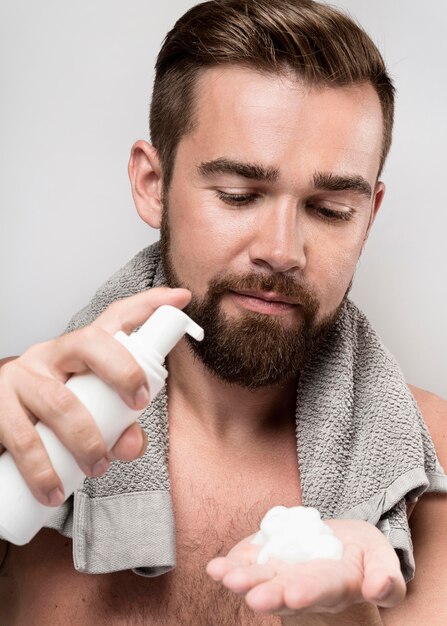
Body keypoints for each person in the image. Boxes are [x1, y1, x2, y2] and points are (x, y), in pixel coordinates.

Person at [0, 0, 446, 623]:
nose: (281, 252)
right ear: (152, 185)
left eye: (330, 210)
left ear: (369, 213)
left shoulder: (433, 464)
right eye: (239, 196)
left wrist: (343, 618)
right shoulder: (17, 423)